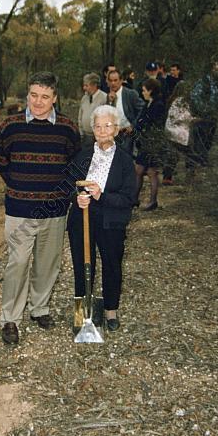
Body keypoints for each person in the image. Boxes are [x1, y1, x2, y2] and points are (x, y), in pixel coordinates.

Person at [0, 71, 81, 345]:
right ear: (27, 95)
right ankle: (10, 318)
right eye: (33, 95)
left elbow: (74, 166)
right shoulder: (10, 126)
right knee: (17, 263)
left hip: (54, 211)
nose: (38, 102)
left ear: (54, 98)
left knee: (47, 263)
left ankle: (39, 308)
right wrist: (21, 187)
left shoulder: (68, 128)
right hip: (20, 209)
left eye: (45, 96)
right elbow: (0, 160)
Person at [67, 106, 136, 331]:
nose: (102, 130)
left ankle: (110, 311)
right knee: (82, 265)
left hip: (111, 221)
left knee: (112, 265)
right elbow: (69, 184)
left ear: (116, 129)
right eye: (98, 126)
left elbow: (128, 198)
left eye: (108, 126)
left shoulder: (125, 160)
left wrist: (101, 196)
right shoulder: (83, 154)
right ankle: (83, 315)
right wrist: (78, 198)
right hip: (82, 218)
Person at [134, 78, 166, 210]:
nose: (143, 93)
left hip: (152, 143)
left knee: (148, 171)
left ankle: (151, 201)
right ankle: (135, 199)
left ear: (151, 90)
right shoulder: (149, 103)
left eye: (144, 90)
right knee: (141, 171)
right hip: (146, 142)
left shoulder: (158, 105)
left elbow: (152, 123)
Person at [163, 81, 200, 182]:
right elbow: (182, 116)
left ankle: (167, 177)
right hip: (179, 133)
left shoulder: (173, 100)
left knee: (172, 155)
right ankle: (190, 176)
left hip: (171, 131)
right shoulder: (181, 101)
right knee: (190, 154)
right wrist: (193, 119)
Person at [107, 69, 144, 155]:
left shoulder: (130, 94)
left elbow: (143, 109)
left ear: (121, 80)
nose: (113, 83)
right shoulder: (108, 96)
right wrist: (109, 102)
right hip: (113, 134)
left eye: (115, 80)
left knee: (125, 158)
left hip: (126, 133)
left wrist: (133, 125)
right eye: (111, 81)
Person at [78, 72, 107, 150]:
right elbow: (80, 116)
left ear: (94, 85)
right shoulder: (84, 98)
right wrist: (80, 132)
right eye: (84, 85)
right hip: (85, 136)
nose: (84, 88)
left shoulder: (104, 98)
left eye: (86, 85)